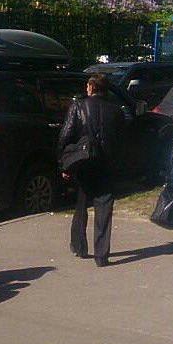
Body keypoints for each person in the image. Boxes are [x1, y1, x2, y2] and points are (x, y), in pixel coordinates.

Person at [59, 74, 123, 267]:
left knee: (81, 202)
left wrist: (63, 161)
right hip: (107, 162)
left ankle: (79, 246)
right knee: (104, 205)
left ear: (91, 87)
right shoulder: (116, 110)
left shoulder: (78, 106)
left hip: (84, 161)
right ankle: (101, 254)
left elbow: (66, 135)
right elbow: (122, 138)